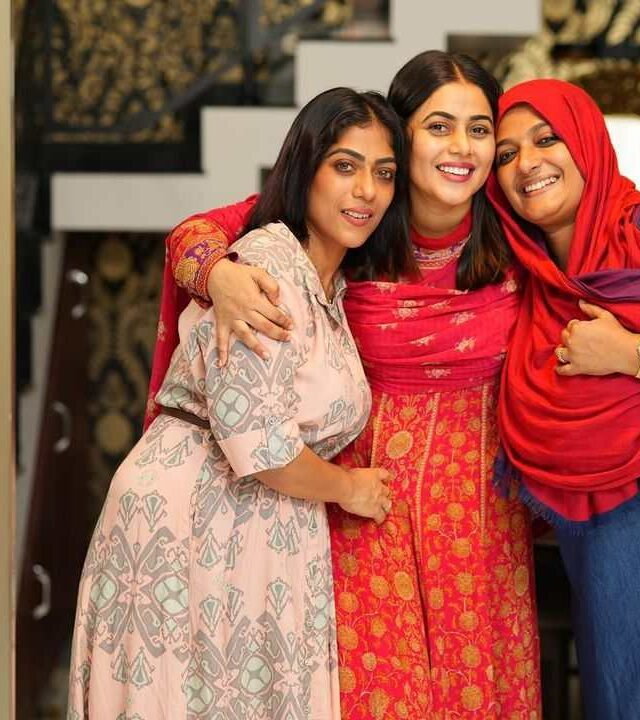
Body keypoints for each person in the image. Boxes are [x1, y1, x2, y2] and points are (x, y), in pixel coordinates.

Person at [146, 52, 542, 719]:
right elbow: (195, 234)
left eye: (479, 130)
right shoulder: (354, 216)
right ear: (400, 137)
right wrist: (218, 275)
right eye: (439, 126)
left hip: (478, 522)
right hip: (358, 510)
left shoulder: (515, 228)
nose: (461, 147)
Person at [66, 87, 415, 720]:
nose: (367, 190)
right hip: (189, 520)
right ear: (305, 169)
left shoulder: (327, 281)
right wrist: (349, 488)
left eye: (384, 172)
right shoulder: (267, 265)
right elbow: (261, 444)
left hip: (254, 528)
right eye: (345, 165)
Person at [487, 78, 640, 720]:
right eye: (506, 153)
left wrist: (628, 355)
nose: (527, 163)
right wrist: (217, 265)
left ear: (587, 141)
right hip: (592, 528)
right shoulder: (517, 271)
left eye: (547, 139)